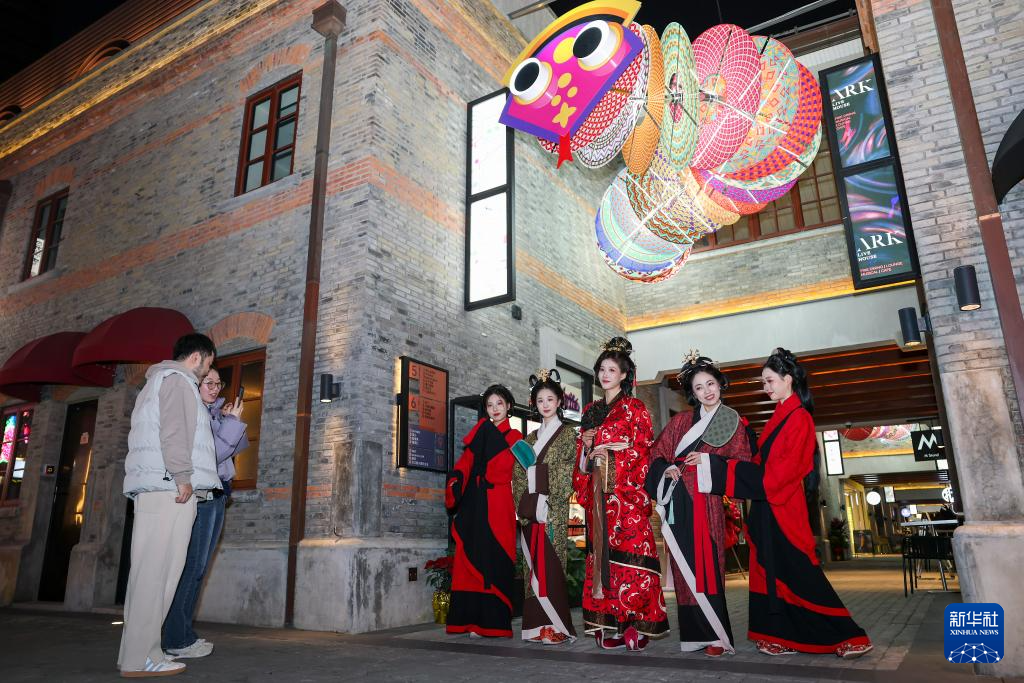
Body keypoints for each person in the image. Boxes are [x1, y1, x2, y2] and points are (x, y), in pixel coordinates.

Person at [693, 348, 872, 659]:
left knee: (800, 572)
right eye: (764, 382)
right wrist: (722, 460)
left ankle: (849, 635)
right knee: (770, 572)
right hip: (768, 506)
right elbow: (761, 462)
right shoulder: (781, 415)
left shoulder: (800, 417)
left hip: (783, 506)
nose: (766, 387)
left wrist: (722, 468)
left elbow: (782, 473)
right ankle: (779, 636)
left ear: (788, 379)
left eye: (770, 381)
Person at [118, 334, 222, 677]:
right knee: (159, 574)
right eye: (209, 363)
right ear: (197, 357)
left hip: (157, 489)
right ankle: (142, 658)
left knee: (148, 573)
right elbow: (175, 432)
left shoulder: (158, 381)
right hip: (170, 489)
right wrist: (182, 477)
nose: (207, 370)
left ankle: (135, 654)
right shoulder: (178, 381)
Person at [646, 352, 754, 657]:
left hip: (706, 503)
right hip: (678, 499)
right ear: (692, 394)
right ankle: (694, 636)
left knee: (709, 568)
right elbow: (656, 454)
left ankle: (717, 637)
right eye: (699, 387)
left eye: (710, 384)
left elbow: (742, 463)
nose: (707, 391)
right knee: (684, 572)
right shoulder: (680, 421)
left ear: (720, 384)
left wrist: (708, 461)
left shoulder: (731, 422)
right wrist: (667, 468)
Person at [573, 337, 669, 651]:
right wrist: (588, 448)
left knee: (633, 559)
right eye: (602, 369)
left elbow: (644, 451)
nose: (605, 374)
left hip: (625, 497)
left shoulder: (635, 408)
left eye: (612, 370)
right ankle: (611, 624)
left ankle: (638, 624)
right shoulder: (590, 410)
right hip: (599, 497)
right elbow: (582, 458)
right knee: (604, 561)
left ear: (624, 375)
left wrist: (611, 456)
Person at [162, 367, 249, 658]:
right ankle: (176, 637)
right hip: (203, 496)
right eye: (207, 382)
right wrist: (231, 423)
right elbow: (211, 455)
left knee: (199, 569)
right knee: (193, 567)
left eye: (217, 383)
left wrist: (227, 420)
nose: (214, 388)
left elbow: (236, 448)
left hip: (219, 493)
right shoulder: (195, 412)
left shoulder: (212, 413)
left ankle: (182, 633)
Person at [444, 385, 524, 638]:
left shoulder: (516, 437)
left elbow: (516, 469)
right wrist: (456, 480)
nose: (495, 409)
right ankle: (470, 621)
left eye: (499, 403)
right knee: (469, 558)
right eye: (490, 405)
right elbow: (465, 463)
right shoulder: (480, 431)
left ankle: (493, 623)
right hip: (475, 502)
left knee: (495, 557)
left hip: (499, 503)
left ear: (508, 406)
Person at [511, 369, 578, 644]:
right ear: (534, 404)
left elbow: (569, 471)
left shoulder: (568, 435)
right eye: (540, 400)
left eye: (550, 399)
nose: (545, 404)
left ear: (559, 401)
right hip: (531, 510)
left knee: (551, 565)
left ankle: (557, 626)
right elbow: (517, 476)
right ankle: (536, 627)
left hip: (553, 510)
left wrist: (539, 477)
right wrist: (525, 501)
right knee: (532, 569)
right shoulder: (528, 439)